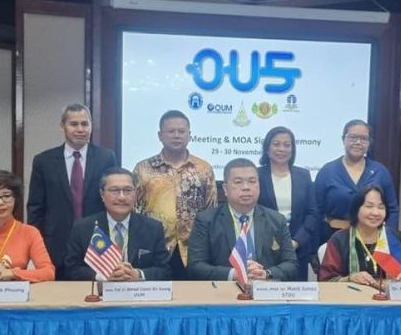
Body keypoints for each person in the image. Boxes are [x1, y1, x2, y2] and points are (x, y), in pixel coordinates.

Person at [27, 103, 117, 279]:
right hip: (55, 244)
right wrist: (34, 247)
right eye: (74, 124)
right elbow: (35, 208)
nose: (80, 129)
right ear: (62, 126)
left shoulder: (106, 158)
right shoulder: (43, 161)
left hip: (97, 244)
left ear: (91, 126)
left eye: (85, 124)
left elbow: (113, 201)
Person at [133, 110, 217, 279]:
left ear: (189, 135)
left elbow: (211, 210)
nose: (176, 136)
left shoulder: (203, 169)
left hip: (194, 248)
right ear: (160, 135)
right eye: (171, 131)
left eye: (181, 131)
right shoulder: (143, 169)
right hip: (154, 247)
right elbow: (135, 210)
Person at [187, 158, 298, 281]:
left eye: (252, 181)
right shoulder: (206, 220)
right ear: (225, 189)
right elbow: (195, 266)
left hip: (266, 292)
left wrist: (266, 274)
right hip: (223, 292)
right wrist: (233, 274)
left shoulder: (277, 220)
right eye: (238, 182)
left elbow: (291, 264)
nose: (246, 187)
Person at [64, 168, 171, 281]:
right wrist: (103, 276)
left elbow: (164, 270)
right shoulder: (83, 228)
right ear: (102, 194)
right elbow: (71, 269)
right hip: (99, 296)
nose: (121, 197)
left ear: (136, 193)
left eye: (128, 190)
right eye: (114, 190)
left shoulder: (153, 228)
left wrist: (138, 274)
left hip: (139, 295)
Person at [315, 119, 399, 243]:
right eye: (353, 137)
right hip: (334, 238)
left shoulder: (380, 171)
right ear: (343, 139)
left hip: (374, 239)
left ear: (369, 143)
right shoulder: (327, 171)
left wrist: (388, 238)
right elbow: (316, 211)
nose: (358, 142)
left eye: (364, 139)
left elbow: (392, 209)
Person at [319, 185, 401, 285]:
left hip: (386, 299)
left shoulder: (392, 238)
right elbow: (326, 281)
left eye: (381, 207)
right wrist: (350, 278)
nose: (376, 212)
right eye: (369, 206)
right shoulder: (340, 240)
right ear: (356, 209)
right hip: (351, 298)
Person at [257, 126, 318, 281]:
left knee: (296, 297)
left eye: (287, 144)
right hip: (264, 248)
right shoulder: (256, 175)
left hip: (297, 248)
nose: (282, 149)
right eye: (276, 144)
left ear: (293, 149)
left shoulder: (303, 175)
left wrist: (296, 241)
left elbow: (313, 213)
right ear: (267, 148)